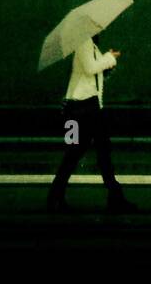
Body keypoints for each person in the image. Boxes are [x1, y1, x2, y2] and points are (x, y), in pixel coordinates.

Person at [47, 33, 137, 214]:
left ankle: (56, 197)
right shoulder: (83, 41)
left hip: (87, 108)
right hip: (84, 109)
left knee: (92, 152)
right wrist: (109, 58)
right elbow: (90, 68)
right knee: (83, 153)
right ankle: (56, 198)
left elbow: (92, 76)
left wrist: (106, 67)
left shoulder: (91, 45)